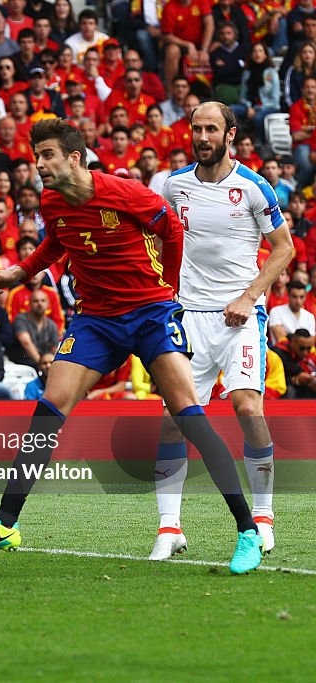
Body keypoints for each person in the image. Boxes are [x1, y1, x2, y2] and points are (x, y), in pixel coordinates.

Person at [0, 119, 265, 575]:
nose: (38, 164)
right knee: (49, 408)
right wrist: (18, 273)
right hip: (97, 320)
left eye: (47, 155)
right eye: (36, 155)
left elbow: (172, 233)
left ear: (74, 158)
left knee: (188, 414)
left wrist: (171, 289)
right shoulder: (52, 200)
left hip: (150, 314)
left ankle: (247, 532)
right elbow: (54, 244)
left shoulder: (129, 193)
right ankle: (5, 525)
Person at [152, 102, 294, 560]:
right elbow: (158, 241)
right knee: (174, 417)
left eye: (211, 128)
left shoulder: (253, 186)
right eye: (197, 128)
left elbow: (283, 249)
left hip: (240, 316)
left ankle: (264, 518)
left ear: (230, 134)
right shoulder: (175, 186)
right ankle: (169, 528)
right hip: (189, 315)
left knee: (246, 405)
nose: (202, 136)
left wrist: (248, 297)